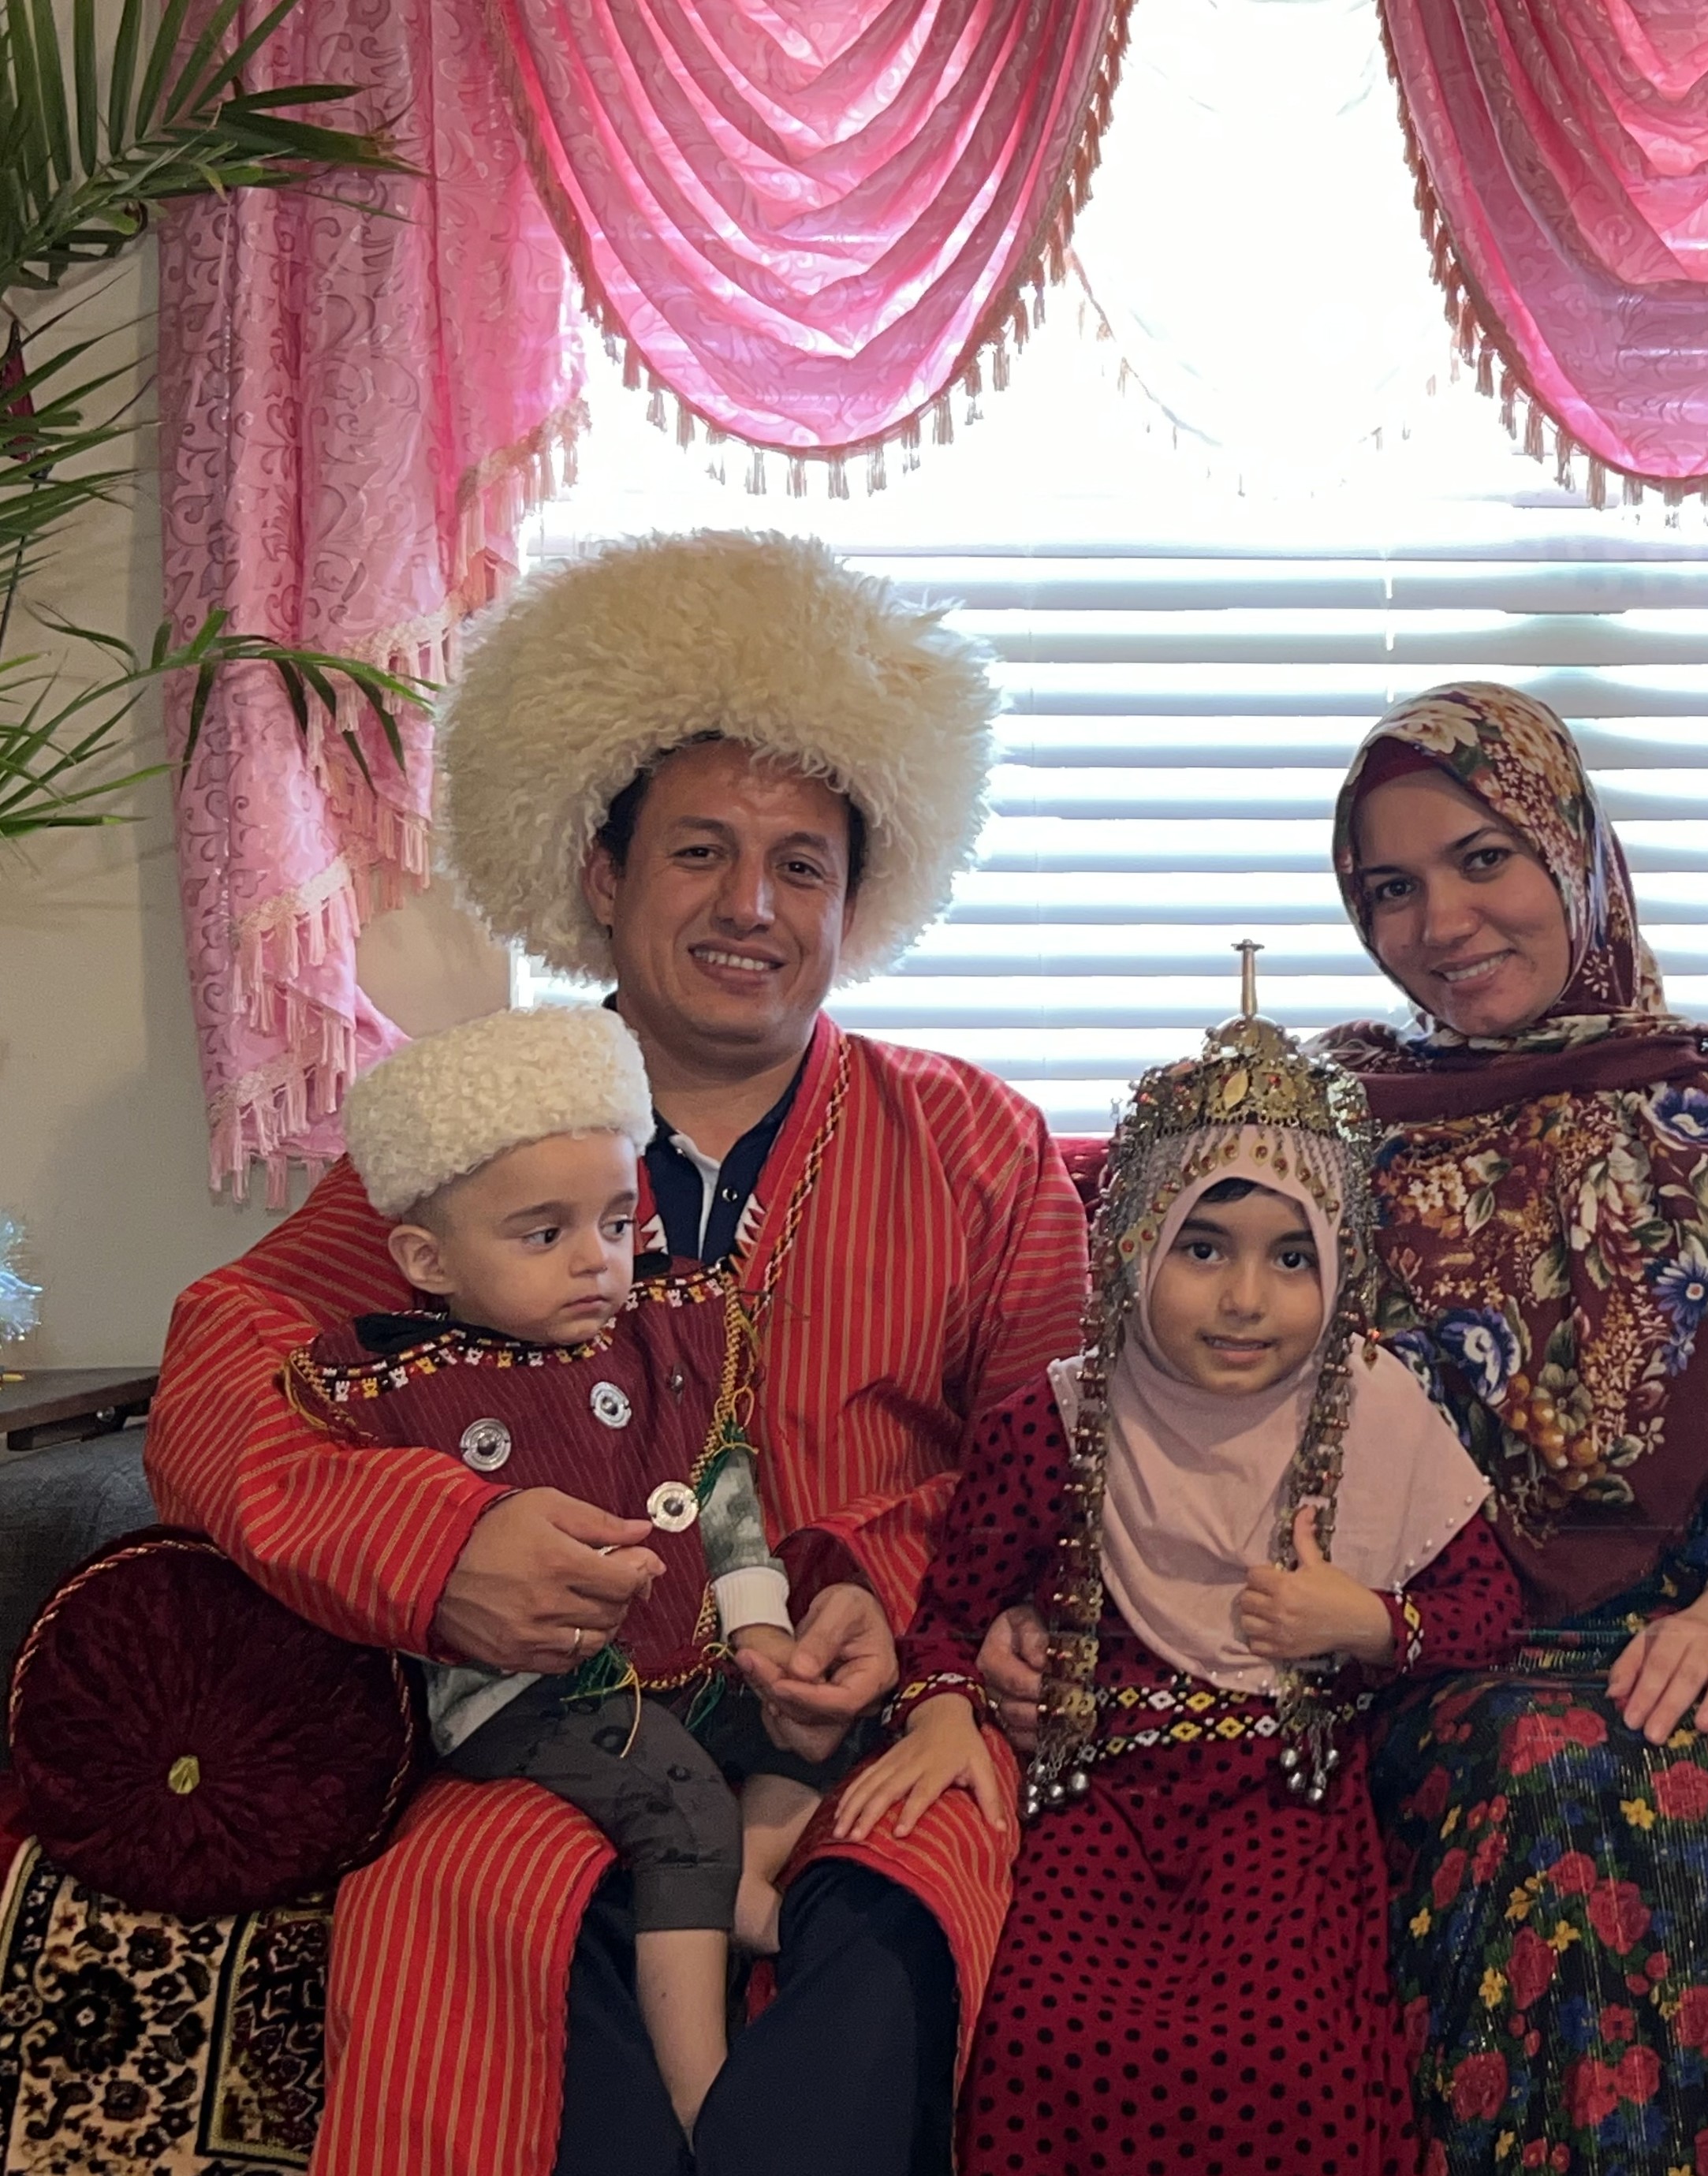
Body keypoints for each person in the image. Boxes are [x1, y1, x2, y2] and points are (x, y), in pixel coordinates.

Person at [147, 531, 1090, 2176]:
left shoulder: (976, 1144)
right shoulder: (475, 1135)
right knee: (470, 1919)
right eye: (700, 852)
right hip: (550, 1733)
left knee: (893, 1928)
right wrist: (440, 1552)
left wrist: (887, 1596)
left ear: (856, 901)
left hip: (874, 1726)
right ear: (601, 872)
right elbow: (226, 1370)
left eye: (802, 866)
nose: (751, 907)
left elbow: (1070, 1452)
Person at [1313, 682, 1708, 2172]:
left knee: (1676, 1776)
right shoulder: (1324, 1138)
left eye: (1483, 859)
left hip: (1703, 1647)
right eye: (1391, 888)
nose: (1442, 922)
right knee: (1541, 1765)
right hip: (1399, 1655)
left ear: (1575, 856)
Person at [837, 987, 1521, 2176]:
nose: (1246, 1300)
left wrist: (1364, 1620)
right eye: (1203, 1249)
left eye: (1292, 1258)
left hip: (1284, 1799)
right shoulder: (1054, 1423)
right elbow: (948, 1618)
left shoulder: (1376, 1417)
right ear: (1134, 1246)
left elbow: (1486, 1616)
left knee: (1282, 2059)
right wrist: (945, 1704)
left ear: (1342, 1265)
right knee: (1045, 2038)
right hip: (1092, 1795)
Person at [295, 1003, 845, 2131]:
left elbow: (722, 1486)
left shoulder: (662, 1336)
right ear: (427, 1260)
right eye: (544, 1236)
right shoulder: (411, 1389)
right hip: (529, 1692)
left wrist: (759, 1623)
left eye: (615, 1221)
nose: (598, 1260)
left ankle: (742, 1877)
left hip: (683, 1660)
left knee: (817, 1722)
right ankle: (705, 2096)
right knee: (679, 1802)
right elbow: (371, 1532)